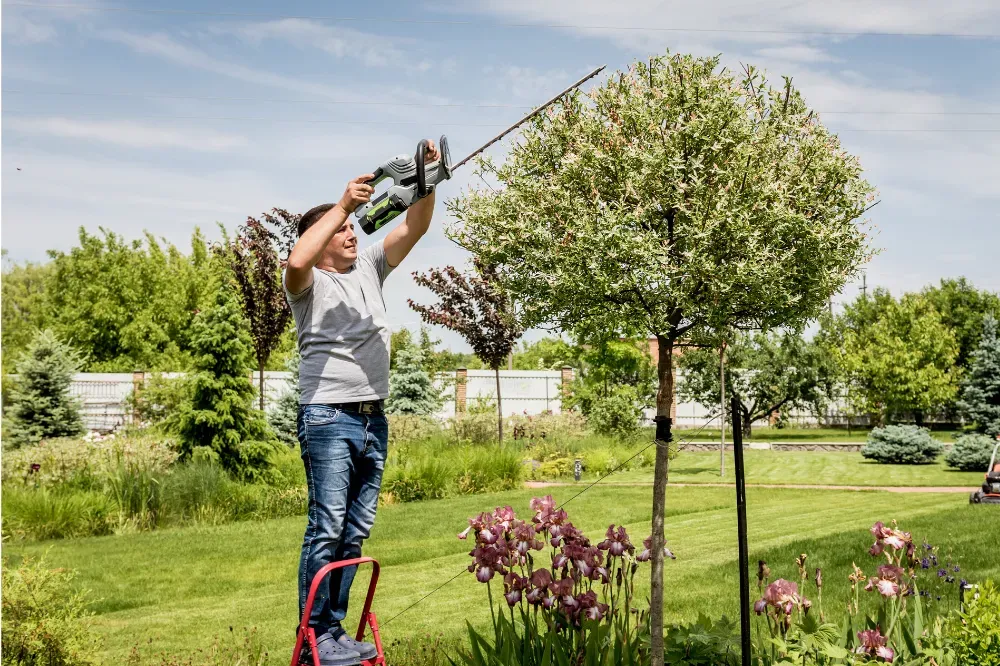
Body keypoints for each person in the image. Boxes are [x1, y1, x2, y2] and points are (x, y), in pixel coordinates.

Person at [283, 140, 439, 666]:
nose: (351, 234)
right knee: (326, 524)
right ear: (321, 237)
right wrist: (342, 204)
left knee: (354, 531)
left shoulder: (370, 267)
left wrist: (428, 179)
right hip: (329, 417)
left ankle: (335, 631)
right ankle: (314, 637)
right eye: (341, 230)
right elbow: (297, 257)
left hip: (374, 419)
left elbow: (414, 226)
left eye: (351, 228)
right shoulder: (307, 285)